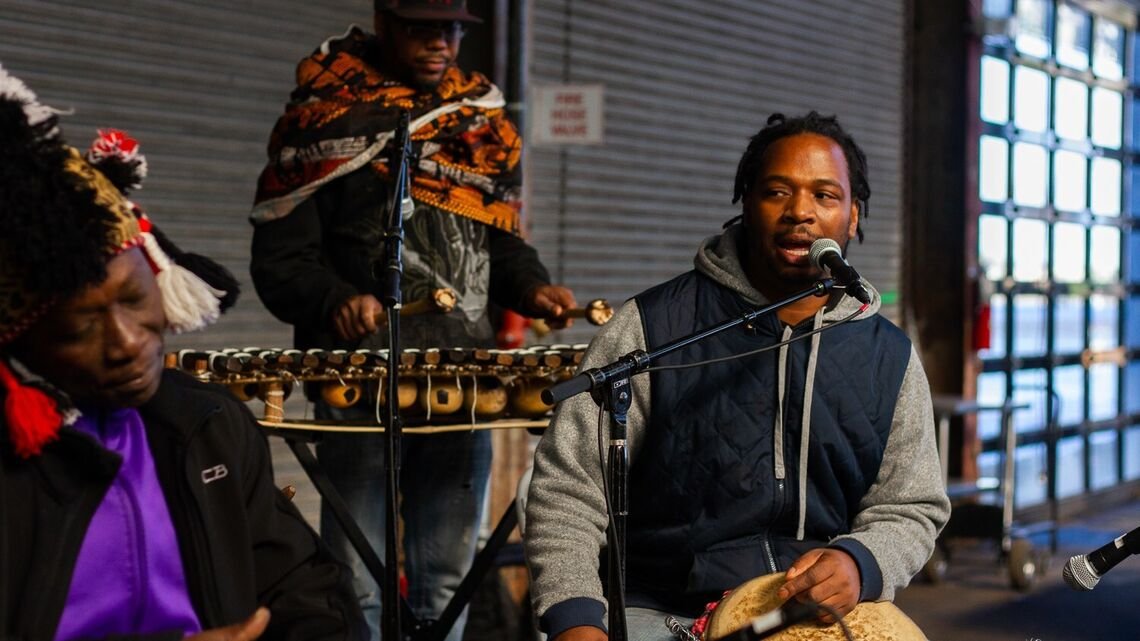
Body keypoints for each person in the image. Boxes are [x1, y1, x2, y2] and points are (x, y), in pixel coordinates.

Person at [523, 112, 951, 641]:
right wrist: (575, 620)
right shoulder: (652, 326)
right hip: (661, 609)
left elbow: (911, 505)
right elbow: (568, 489)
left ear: (854, 217)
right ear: (746, 204)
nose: (801, 212)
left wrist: (861, 563)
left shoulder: (888, 354)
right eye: (777, 192)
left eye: (825, 196)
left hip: (810, 614)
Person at [0, 65, 366, 640]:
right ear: (16, 340)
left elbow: (300, 583)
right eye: (80, 327)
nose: (125, 342)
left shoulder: (206, 425)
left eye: (132, 297)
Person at [248, 1, 576, 639]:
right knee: (356, 583)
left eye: (451, 29)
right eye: (421, 28)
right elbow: (281, 258)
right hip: (362, 380)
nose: (440, 44)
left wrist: (533, 288)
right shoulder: (323, 115)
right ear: (383, 23)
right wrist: (334, 301)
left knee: (447, 582)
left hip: (461, 380)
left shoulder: (480, 122)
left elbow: (500, 244)